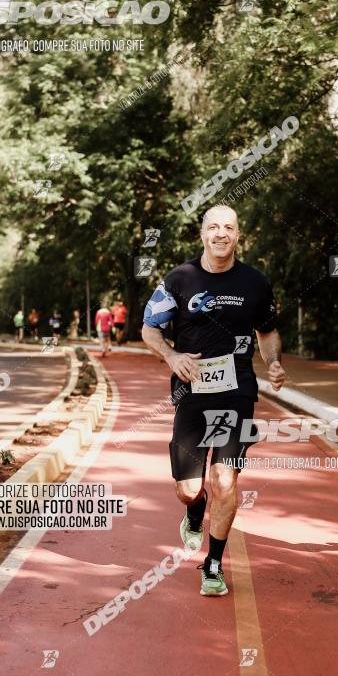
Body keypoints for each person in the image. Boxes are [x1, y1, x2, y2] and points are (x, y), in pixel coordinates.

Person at [142, 204, 286, 597]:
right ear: (202, 233)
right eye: (214, 227)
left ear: (239, 235)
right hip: (191, 394)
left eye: (229, 227)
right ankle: (193, 510)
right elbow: (149, 328)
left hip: (237, 392)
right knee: (189, 488)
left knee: (225, 480)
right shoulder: (179, 279)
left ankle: (214, 564)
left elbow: (268, 331)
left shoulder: (255, 283)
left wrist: (272, 362)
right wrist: (172, 356)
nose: (221, 234)